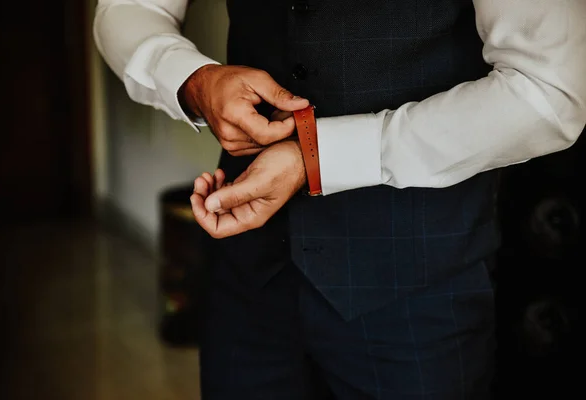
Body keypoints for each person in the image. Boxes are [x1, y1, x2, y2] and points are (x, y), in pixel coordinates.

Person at [94, 0, 586, 398]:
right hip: (248, 273)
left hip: (418, 286)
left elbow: (549, 91)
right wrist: (194, 81)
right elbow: (125, 9)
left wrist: (319, 156)